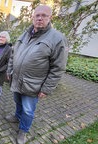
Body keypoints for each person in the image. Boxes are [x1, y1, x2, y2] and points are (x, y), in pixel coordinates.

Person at [5, 5, 69, 144]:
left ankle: (23, 130)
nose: (40, 18)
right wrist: (9, 70)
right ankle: (17, 116)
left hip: (33, 85)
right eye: (37, 15)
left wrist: (46, 88)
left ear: (50, 18)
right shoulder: (25, 33)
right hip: (17, 80)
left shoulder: (57, 38)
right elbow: (13, 53)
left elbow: (58, 68)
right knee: (17, 102)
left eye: (44, 15)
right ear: (33, 17)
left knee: (28, 111)